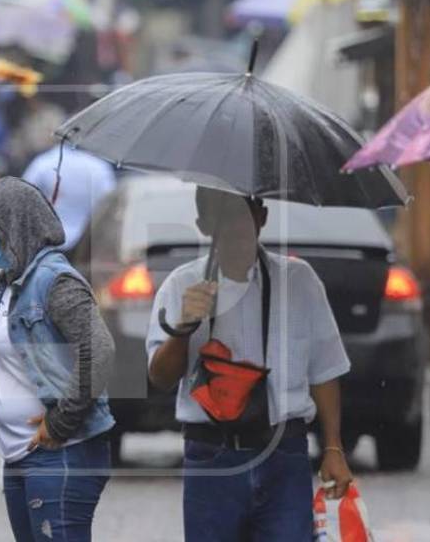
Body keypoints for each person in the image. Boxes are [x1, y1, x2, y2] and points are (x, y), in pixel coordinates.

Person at [146, 187, 353, 542]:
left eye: (243, 216)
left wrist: (333, 447)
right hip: (211, 458)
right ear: (204, 224)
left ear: (262, 217)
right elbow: (160, 377)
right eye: (223, 217)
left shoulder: (299, 281)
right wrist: (183, 327)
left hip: (285, 455)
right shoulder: (181, 285)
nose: (235, 227)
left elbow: (325, 370)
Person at [0, 176, 115, 542]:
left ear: (13, 228)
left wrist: (60, 421)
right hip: (20, 454)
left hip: (61, 454)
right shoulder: (10, 284)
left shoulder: (55, 281)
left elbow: (99, 351)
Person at [22, 144, 116, 252]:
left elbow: (22, 197)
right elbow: (109, 206)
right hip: (84, 243)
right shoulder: (99, 168)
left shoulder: (45, 161)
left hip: (46, 240)